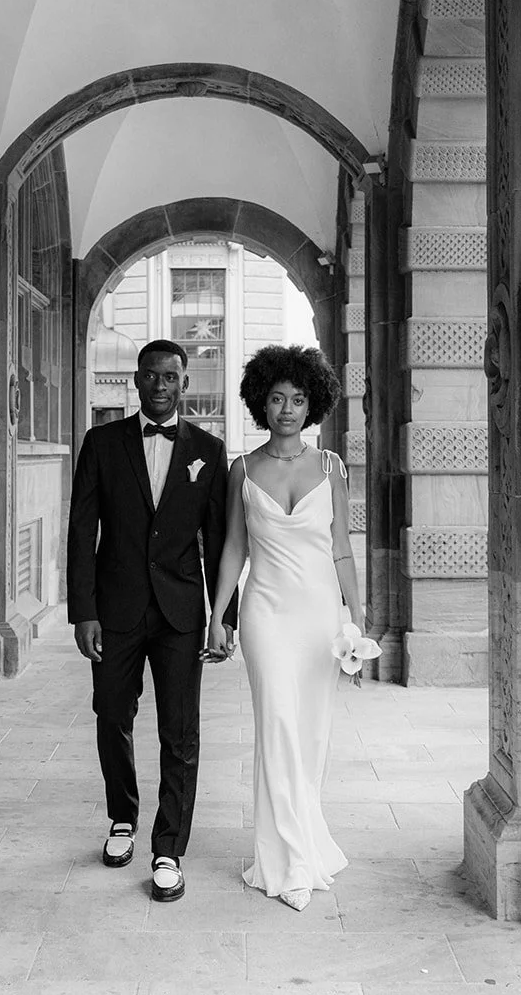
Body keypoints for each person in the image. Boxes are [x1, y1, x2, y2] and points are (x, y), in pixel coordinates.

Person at [204, 343, 375, 911]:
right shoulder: (242, 469)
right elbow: (233, 547)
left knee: (312, 735)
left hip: (320, 615)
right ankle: (288, 863)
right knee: (276, 725)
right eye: (277, 398)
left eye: (298, 399)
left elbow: (343, 549)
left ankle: (303, 840)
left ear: (312, 404)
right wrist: (217, 615)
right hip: (265, 614)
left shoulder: (332, 467)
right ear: (261, 401)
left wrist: (357, 618)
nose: (287, 409)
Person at [67, 339, 234, 903]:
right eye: (150, 376)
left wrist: (222, 616)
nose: (160, 386)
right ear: (135, 381)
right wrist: (83, 610)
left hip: (181, 612)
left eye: (170, 377)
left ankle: (169, 848)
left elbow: (221, 542)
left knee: (179, 729)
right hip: (114, 610)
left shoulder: (209, 452)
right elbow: (81, 531)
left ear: (184, 383)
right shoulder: (102, 443)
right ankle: (122, 818)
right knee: (112, 712)